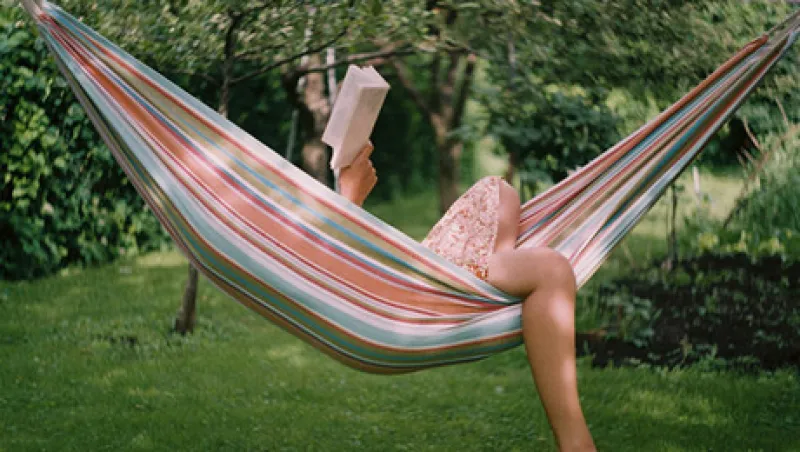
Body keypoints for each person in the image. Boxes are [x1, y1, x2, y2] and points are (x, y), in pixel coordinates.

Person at [338, 144, 597, 452]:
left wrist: (349, 203)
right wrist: (348, 202)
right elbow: (333, 277)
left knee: (498, 191)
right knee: (551, 269)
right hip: (408, 299)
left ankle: (486, 277)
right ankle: (577, 445)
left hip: (415, 277)